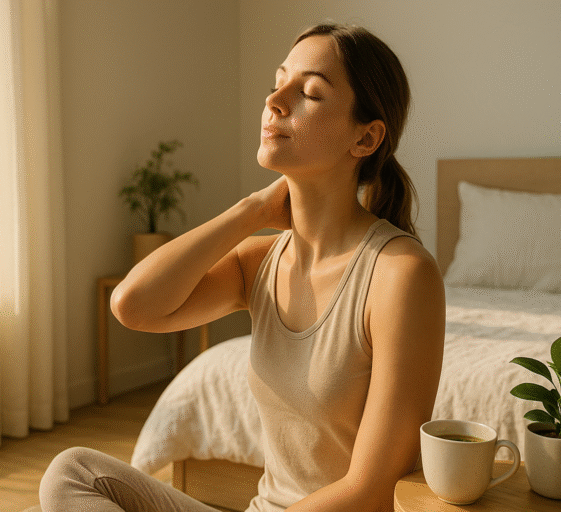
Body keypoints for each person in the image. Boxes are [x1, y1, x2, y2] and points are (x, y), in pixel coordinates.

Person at [39, 22, 444, 512]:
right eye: (278, 82)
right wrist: (249, 212)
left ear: (365, 138)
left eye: (310, 93)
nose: (276, 100)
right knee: (74, 473)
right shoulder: (260, 262)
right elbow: (133, 305)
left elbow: (372, 487)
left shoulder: (401, 274)